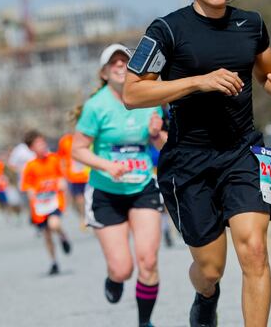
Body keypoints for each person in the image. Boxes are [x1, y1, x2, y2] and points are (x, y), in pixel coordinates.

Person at [123, 0, 271, 327]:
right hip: (188, 161)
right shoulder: (168, 30)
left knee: (254, 250)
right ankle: (205, 296)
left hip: (242, 152)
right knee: (210, 268)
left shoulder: (251, 23)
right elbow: (132, 93)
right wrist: (197, 82)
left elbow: (268, 69)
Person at [72, 44, 168, 327]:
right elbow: (78, 150)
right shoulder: (96, 106)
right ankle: (114, 279)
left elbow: (164, 146)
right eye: (112, 62)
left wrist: (156, 134)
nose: (119, 65)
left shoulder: (149, 101)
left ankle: (144, 322)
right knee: (122, 268)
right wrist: (107, 166)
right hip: (106, 193)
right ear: (104, 72)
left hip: (142, 188)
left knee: (148, 261)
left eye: (124, 60)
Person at [22, 133, 72, 275]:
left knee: (54, 224)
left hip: (54, 200)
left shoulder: (54, 159)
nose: (42, 146)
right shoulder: (30, 166)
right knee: (47, 235)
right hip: (40, 204)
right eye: (38, 144)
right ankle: (53, 262)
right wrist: (32, 194)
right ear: (31, 148)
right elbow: (28, 186)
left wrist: (62, 184)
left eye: (43, 143)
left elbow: (62, 175)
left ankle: (63, 236)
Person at [57, 133, 90, 227]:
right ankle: (83, 216)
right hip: (73, 176)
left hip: (87, 174)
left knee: (86, 197)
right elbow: (61, 158)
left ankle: (86, 217)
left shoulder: (88, 137)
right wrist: (63, 173)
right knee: (77, 199)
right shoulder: (65, 141)